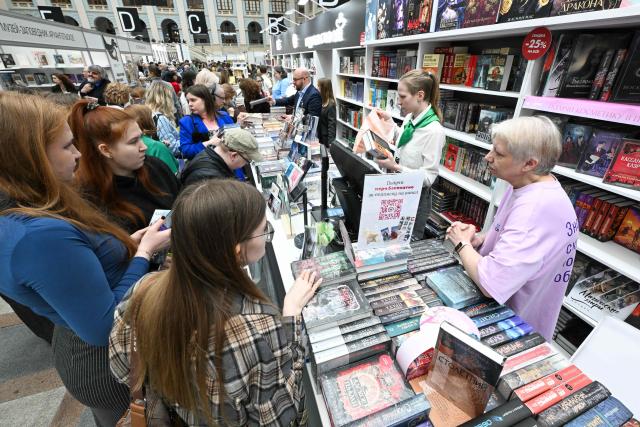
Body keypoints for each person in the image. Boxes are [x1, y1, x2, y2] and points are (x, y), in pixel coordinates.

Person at [0, 93, 170, 426]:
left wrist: (127, 247)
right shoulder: (39, 236)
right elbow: (103, 326)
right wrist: (143, 255)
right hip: (105, 362)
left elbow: (83, 265)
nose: (78, 154)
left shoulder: (32, 211)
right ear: (30, 156)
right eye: (66, 147)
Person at [109, 179, 321, 426]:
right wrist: (292, 313)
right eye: (264, 230)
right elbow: (281, 416)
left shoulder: (142, 290)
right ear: (236, 251)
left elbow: (122, 367)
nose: (266, 237)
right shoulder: (254, 328)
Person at [446, 116, 579, 341]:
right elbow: (521, 240)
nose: (488, 157)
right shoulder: (527, 183)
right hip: (507, 315)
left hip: (512, 329)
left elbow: (491, 283)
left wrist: (462, 243)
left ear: (529, 164)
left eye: (498, 153)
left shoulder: (534, 209)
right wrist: (481, 239)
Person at [69, 100, 180, 233]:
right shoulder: (89, 198)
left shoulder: (155, 167)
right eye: (133, 142)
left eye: (141, 137)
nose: (144, 147)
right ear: (106, 150)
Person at [374, 70, 445, 239]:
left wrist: (396, 167)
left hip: (416, 199)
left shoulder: (434, 131)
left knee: (406, 242)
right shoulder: (409, 119)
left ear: (419, 95)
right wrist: (390, 122)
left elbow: (429, 177)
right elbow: (406, 142)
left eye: (403, 97)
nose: (398, 102)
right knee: (390, 237)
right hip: (398, 189)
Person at [180, 128, 262, 186]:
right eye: (247, 161)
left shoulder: (210, 157)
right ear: (233, 155)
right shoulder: (212, 180)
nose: (246, 164)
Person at [178, 84, 234, 160]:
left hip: (230, 164)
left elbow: (235, 138)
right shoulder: (187, 122)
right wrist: (208, 143)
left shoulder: (224, 116)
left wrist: (240, 125)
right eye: (188, 101)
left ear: (206, 100)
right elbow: (186, 151)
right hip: (205, 167)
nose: (189, 104)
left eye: (193, 100)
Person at [125, 104, 180, 174]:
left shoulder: (125, 143)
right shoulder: (157, 147)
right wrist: (160, 147)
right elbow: (173, 176)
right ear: (147, 120)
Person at [146, 81, 181, 156]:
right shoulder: (160, 118)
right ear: (165, 98)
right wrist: (188, 140)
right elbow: (172, 148)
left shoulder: (148, 113)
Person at [317, 78, 337, 148]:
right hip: (319, 135)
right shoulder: (321, 100)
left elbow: (332, 124)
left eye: (319, 86)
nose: (317, 88)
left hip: (326, 138)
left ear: (324, 88)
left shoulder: (331, 105)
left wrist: (331, 142)